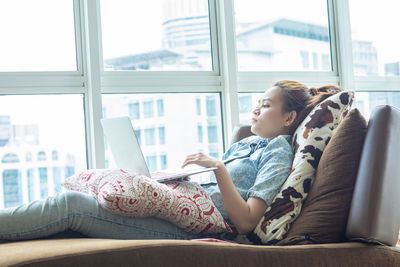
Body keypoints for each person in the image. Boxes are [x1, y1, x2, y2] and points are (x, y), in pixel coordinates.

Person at [0, 80, 341, 242]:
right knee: (83, 201)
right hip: (176, 208)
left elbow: (246, 222)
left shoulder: (277, 151)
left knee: (71, 206)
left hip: (189, 230)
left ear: (288, 118)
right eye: (258, 102)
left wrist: (217, 168)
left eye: (266, 105)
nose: (255, 109)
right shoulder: (247, 144)